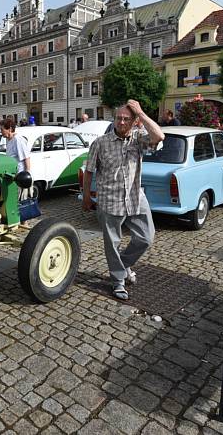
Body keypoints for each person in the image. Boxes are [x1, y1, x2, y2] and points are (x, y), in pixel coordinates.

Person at [82, 100, 164, 301]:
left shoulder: (139, 139)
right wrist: (86, 196)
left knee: (146, 237)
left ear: (134, 122)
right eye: (118, 118)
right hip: (109, 200)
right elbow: (89, 172)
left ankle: (124, 264)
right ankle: (118, 281)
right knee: (112, 243)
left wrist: (141, 113)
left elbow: (159, 136)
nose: (121, 122)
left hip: (136, 198)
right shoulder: (100, 143)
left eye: (126, 119)